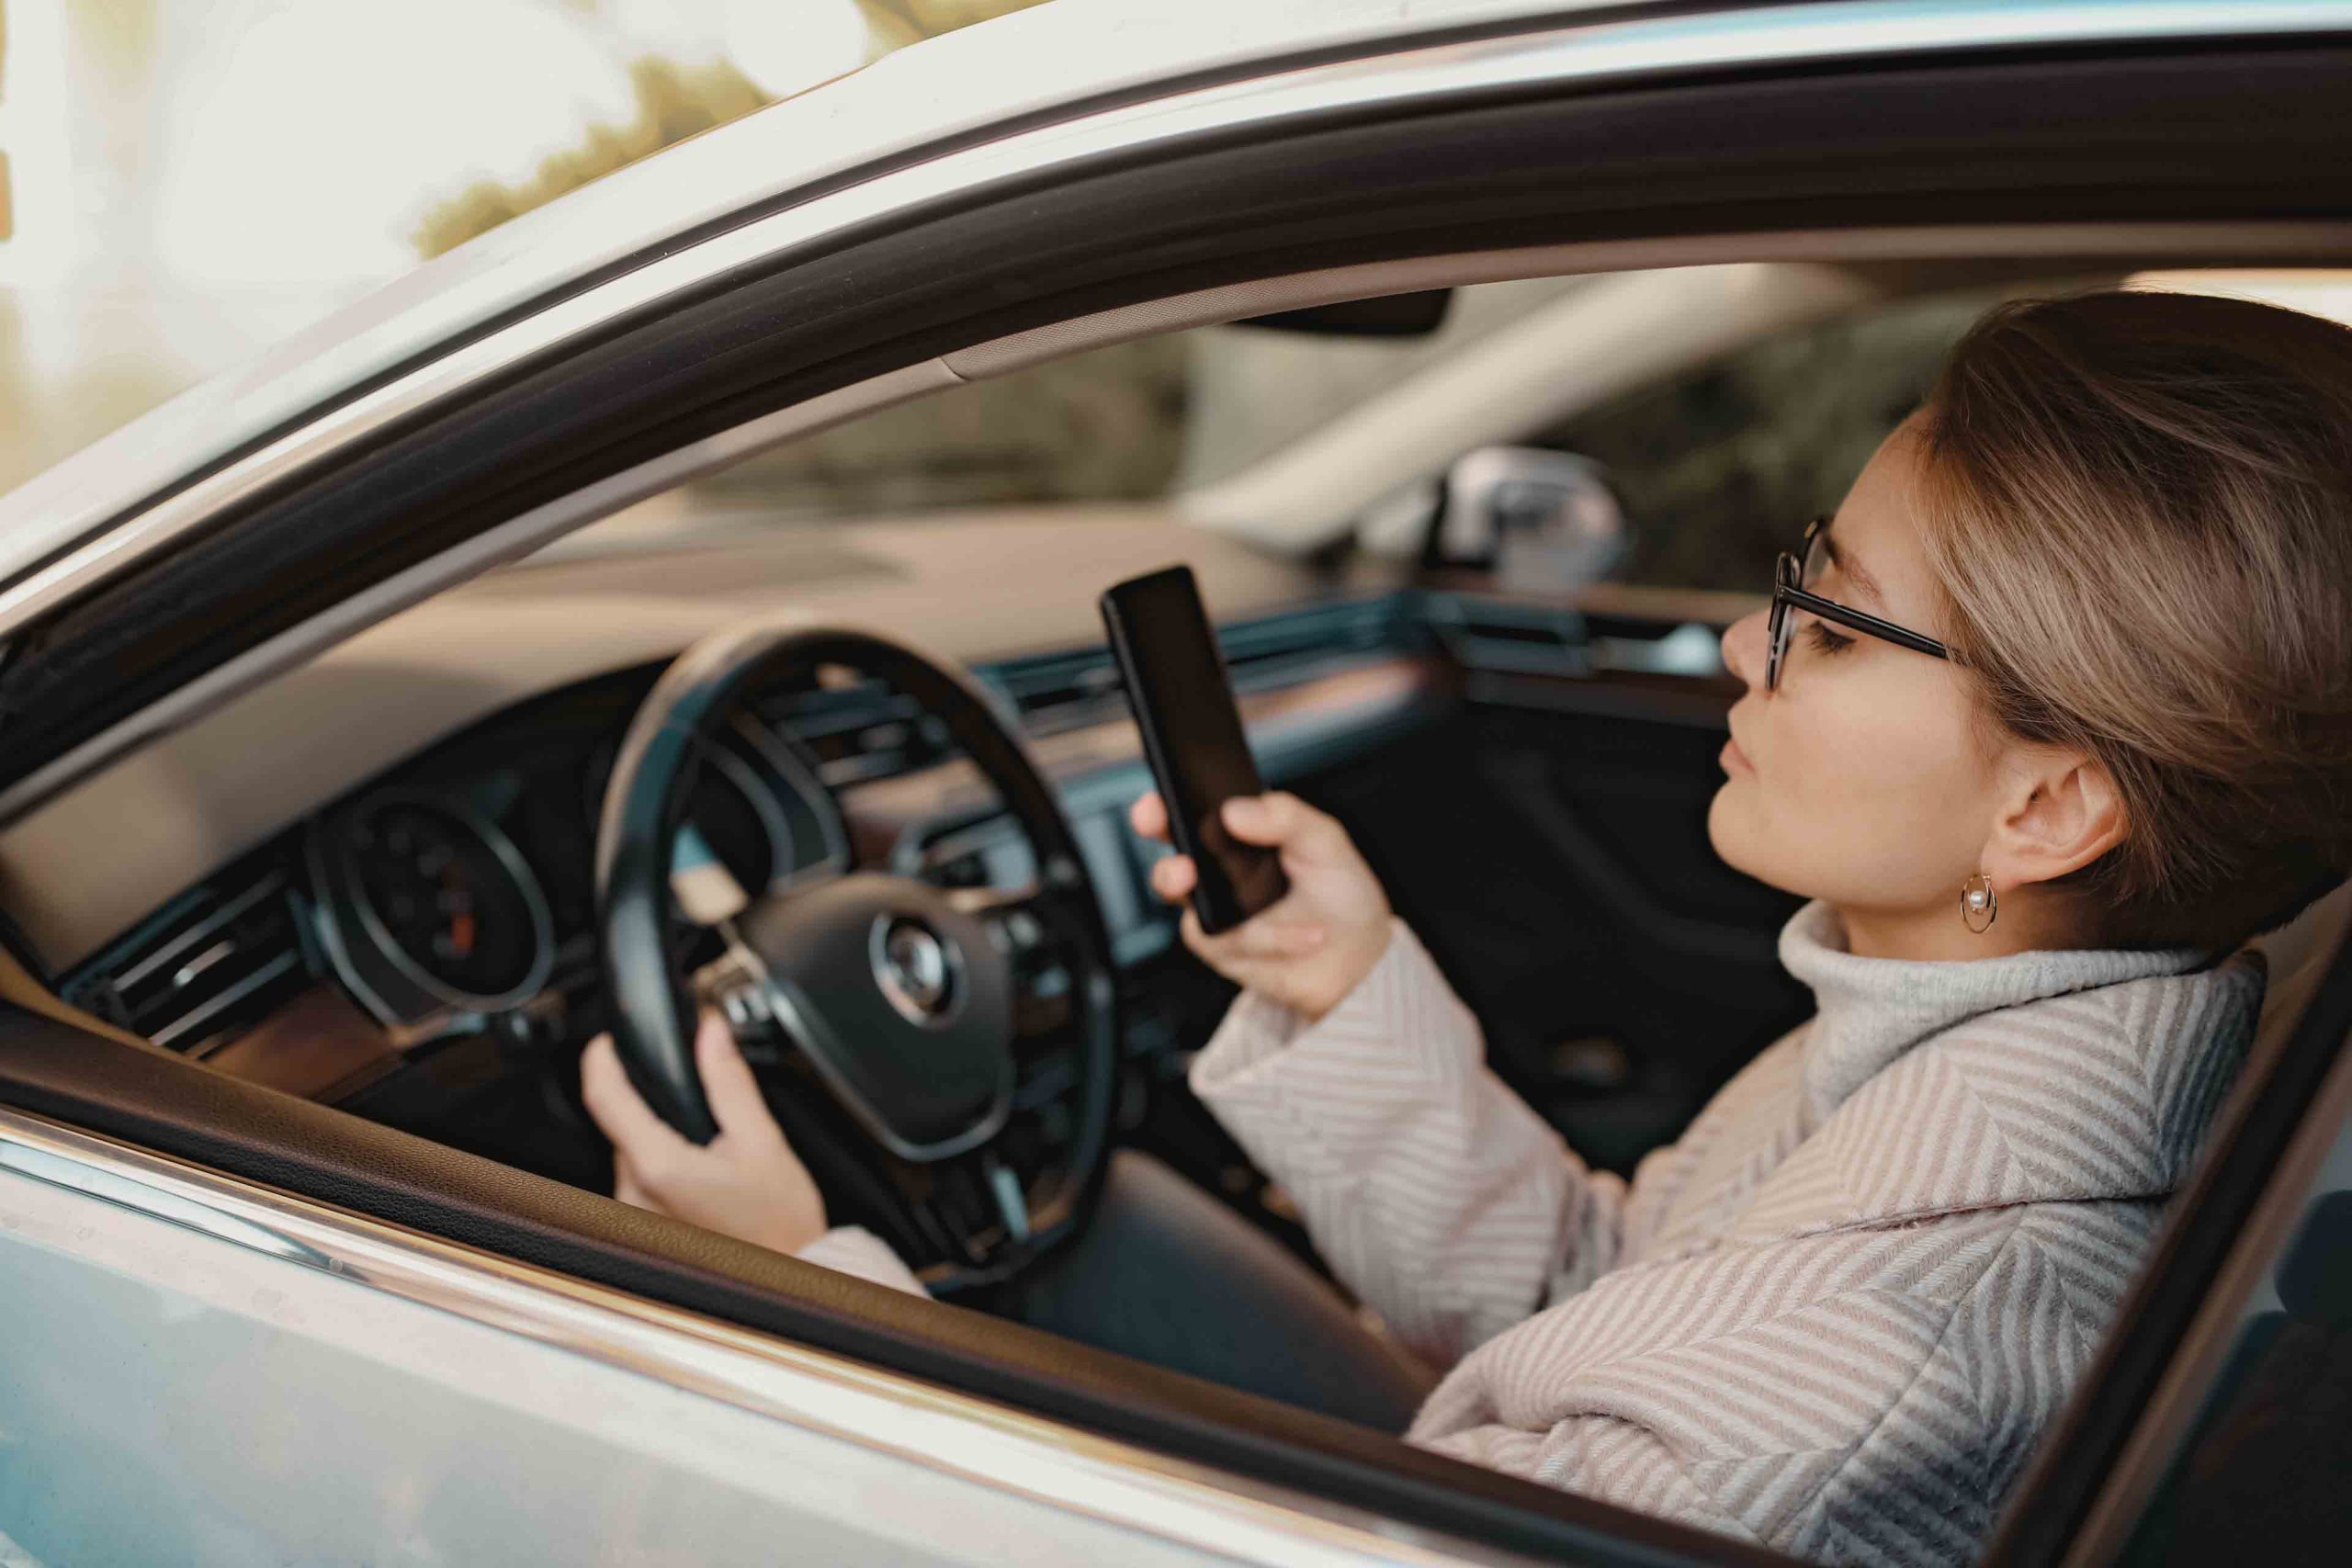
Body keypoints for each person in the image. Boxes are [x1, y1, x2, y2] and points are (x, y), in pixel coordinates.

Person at [581, 288, 2352, 1562]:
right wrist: (1350, 985)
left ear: (2048, 806)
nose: (1746, 644)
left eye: (1830, 619)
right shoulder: (1975, 1050)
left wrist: (793, 1304)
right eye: (1792, 573)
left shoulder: (1868, 1390)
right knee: (1078, 1229)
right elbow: (1613, 1299)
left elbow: (1682, 1383)